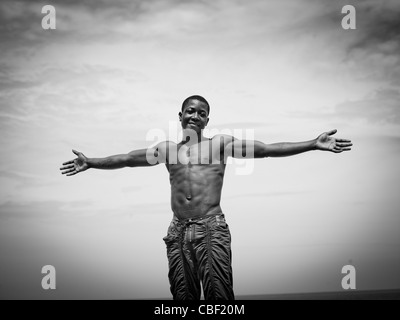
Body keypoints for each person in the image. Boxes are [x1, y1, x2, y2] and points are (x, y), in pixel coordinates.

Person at [60, 95, 352, 300]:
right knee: (182, 300)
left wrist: (313, 144)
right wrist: (92, 162)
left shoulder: (220, 145)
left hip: (211, 229)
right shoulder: (166, 150)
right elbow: (125, 158)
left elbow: (265, 149)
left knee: (219, 300)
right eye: (190, 110)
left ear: (207, 119)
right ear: (180, 115)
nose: (195, 115)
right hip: (177, 233)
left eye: (201, 112)